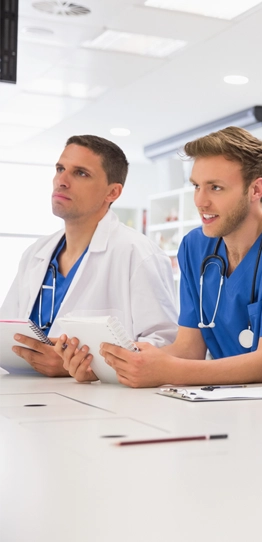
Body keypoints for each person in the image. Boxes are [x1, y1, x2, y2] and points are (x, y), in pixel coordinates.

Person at [77, 126, 262, 387]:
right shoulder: (195, 247)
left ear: (255, 190)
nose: (200, 201)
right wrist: (111, 365)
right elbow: (188, 349)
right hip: (240, 396)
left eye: (215, 188)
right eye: (196, 186)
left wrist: (169, 371)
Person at [0, 135, 177, 379]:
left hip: (98, 404)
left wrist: (84, 366)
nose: (61, 181)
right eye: (60, 169)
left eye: (80, 173)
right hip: (24, 391)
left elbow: (165, 345)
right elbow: (7, 329)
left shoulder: (138, 253)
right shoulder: (35, 253)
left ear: (112, 192)